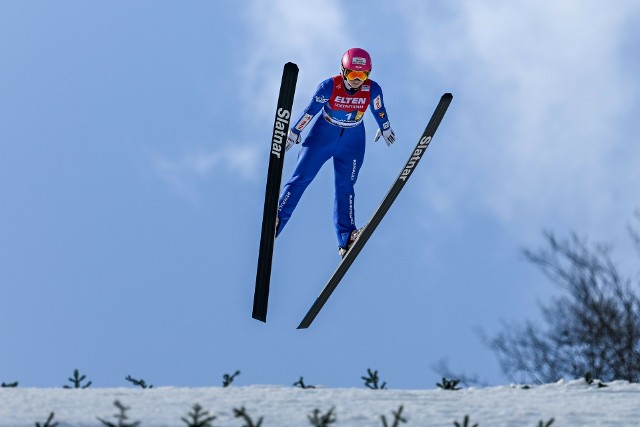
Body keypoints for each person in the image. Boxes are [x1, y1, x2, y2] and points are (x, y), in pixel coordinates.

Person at [276, 47, 396, 257]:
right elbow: (311, 110)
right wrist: (295, 131)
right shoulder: (329, 86)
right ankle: (276, 218)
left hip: (353, 139)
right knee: (301, 177)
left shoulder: (372, 89)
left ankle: (347, 237)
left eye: (362, 75)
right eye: (352, 74)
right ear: (343, 70)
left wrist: (385, 126)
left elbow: (379, 109)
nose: (357, 80)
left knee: (345, 186)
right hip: (324, 134)